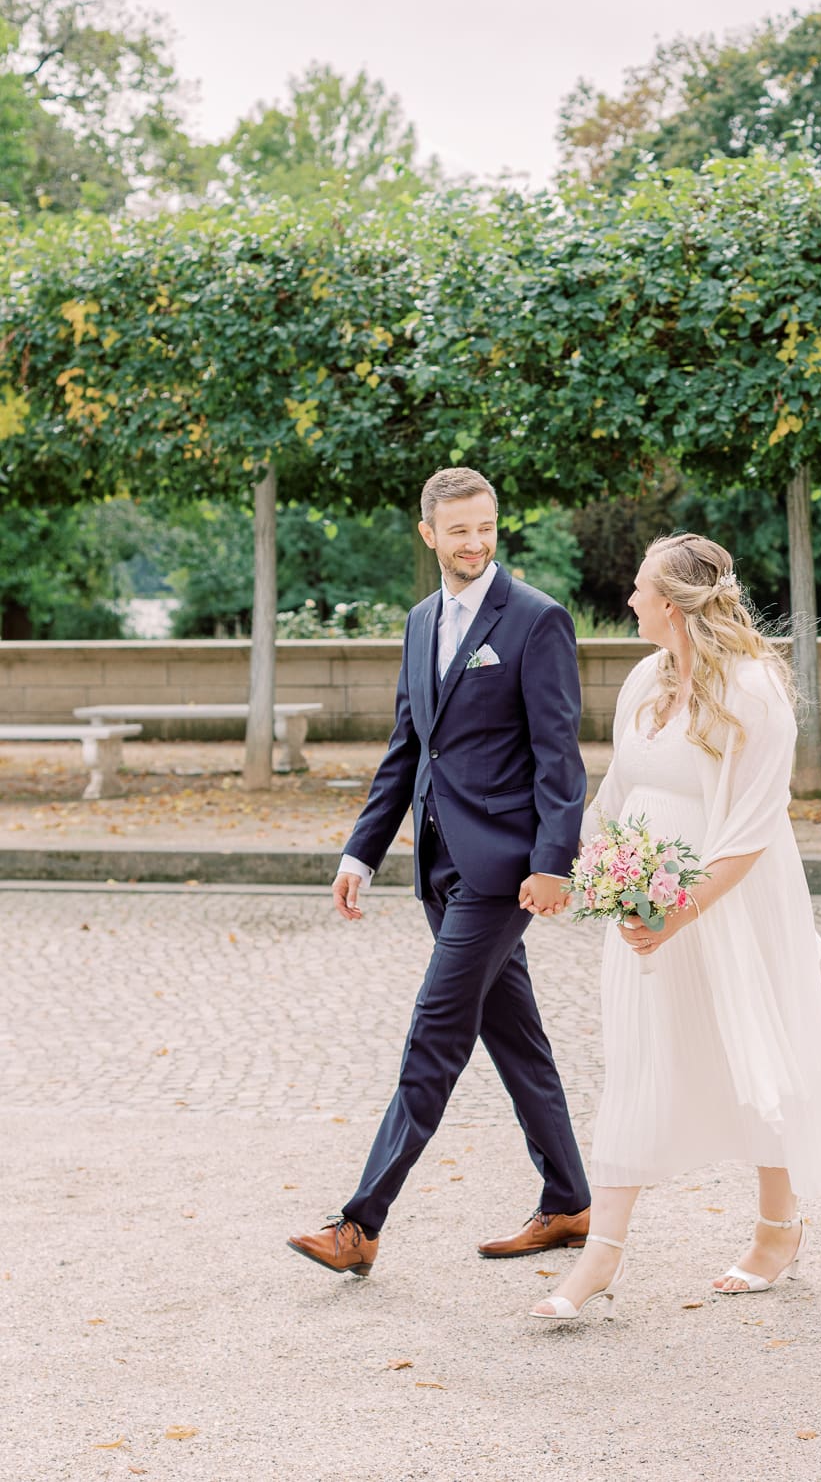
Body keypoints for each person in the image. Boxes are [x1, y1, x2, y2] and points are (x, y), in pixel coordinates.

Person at [526, 534, 821, 1323]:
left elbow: (753, 828)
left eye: (639, 589)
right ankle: (603, 1255)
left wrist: (679, 909)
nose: (628, 599)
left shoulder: (754, 689)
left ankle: (778, 1227)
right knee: (638, 1061)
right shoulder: (643, 679)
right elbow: (617, 791)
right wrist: (575, 870)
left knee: (752, 1052)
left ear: (672, 603)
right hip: (645, 904)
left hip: (731, 904)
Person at [288, 467, 591, 1280]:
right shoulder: (422, 620)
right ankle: (570, 1201)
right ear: (429, 535)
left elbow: (560, 757)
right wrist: (361, 850)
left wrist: (552, 862)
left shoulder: (536, 620)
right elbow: (406, 749)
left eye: (486, 525)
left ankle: (361, 1222)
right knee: (516, 1039)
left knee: (435, 1034)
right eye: (458, 530)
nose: (476, 541)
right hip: (436, 864)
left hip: (502, 874)